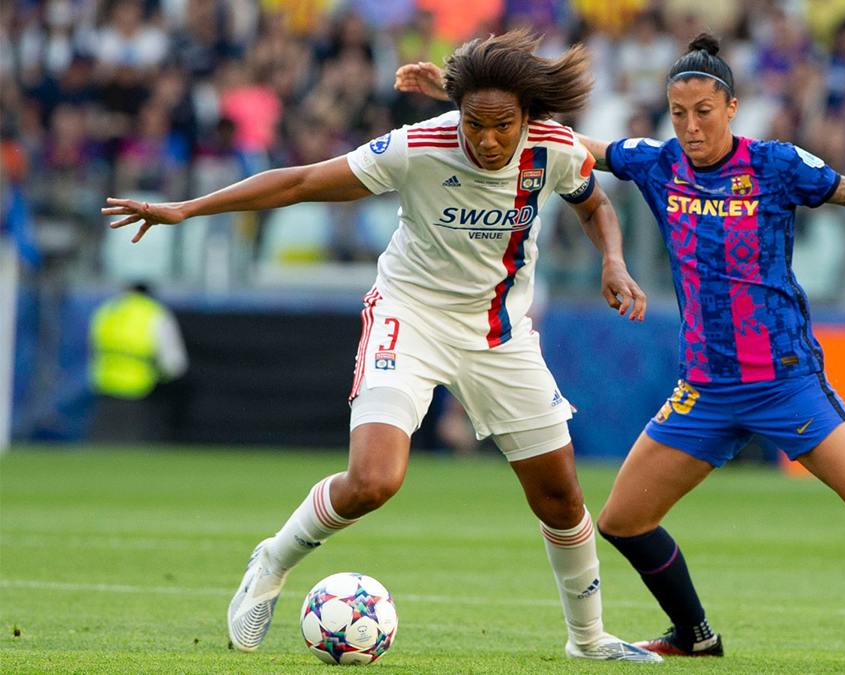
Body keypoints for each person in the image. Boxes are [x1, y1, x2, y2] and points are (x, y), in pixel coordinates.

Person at [398, 31, 845, 659]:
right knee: (621, 520)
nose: (691, 127)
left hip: (785, 382)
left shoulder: (774, 164)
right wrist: (455, 97)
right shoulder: (655, 162)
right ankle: (694, 635)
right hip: (706, 388)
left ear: (731, 109)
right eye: (679, 114)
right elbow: (547, 140)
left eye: (703, 113)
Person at [103, 30, 661, 662]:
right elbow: (303, 181)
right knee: (373, 481)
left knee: (560, 496)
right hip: (409, 316)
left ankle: (588, 642)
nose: (486, 139)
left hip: (497, 332)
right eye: (473, 123)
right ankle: (273, 561)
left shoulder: (554, 148)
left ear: (528, 118)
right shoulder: (416, 147)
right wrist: (187, 209)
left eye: (501, 125)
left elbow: (594, 204)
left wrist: (613, 262)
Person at [88, 282, 189, 443]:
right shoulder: (153, 312)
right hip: (140, 392)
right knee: (135, 449)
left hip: (104, 391)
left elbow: (92, 351)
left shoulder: (106, 311)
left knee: (104, 447)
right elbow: (174, 363)